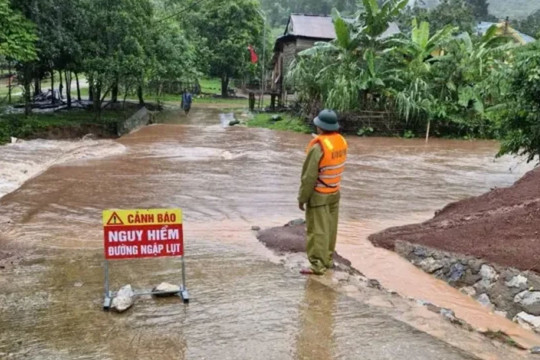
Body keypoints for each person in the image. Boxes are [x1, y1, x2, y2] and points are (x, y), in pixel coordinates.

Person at [298, 109, 348, 275]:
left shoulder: (318, 147)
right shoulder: (341, 141)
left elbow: (309, 177)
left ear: (319, 127)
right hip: (334, 192)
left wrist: (302, 198)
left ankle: (318, 265)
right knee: (331, 228)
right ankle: (327, 259)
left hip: (319, 195)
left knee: (317, 230)